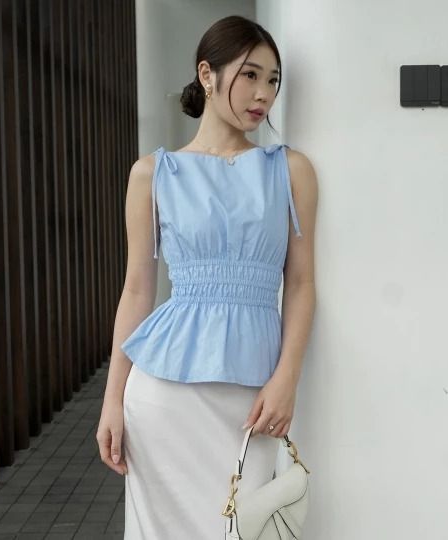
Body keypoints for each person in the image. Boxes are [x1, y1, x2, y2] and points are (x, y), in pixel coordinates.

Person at [96, 14, 318, 540]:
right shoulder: (151, 173)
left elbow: (301, 284)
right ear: (207, 74)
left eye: (273, 80)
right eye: (250, 74)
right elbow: (137, 289)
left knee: (242, 527)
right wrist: (112, 399)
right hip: (163, 396)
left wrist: (287, 379)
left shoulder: (290, 170)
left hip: (252, 397)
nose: (263, 93)